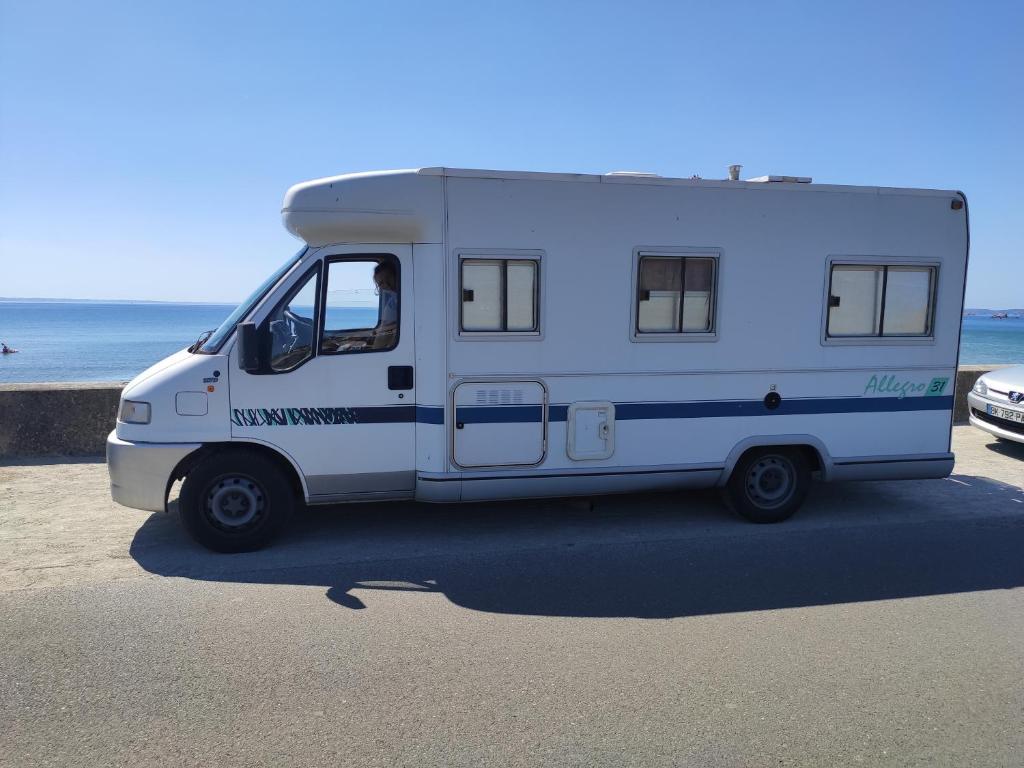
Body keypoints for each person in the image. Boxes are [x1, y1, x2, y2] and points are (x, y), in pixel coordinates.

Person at [371, 262, 398, 348]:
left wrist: (384, 330)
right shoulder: (393, 299)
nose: (386, 284)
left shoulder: (408, 298)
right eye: (381, 283)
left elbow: (405, 324)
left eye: (388, 278)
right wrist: (380, 330)